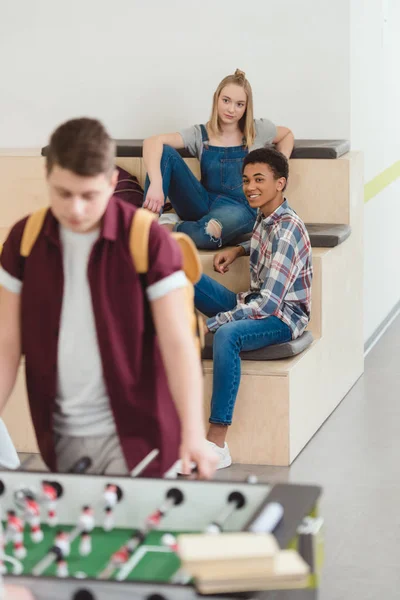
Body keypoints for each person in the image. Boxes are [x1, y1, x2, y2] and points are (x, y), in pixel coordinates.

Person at [0, 118, 217, 479]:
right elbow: (6, 343)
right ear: (47, 176)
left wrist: (193, 433)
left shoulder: (149, 241)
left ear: (112, 182)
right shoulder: (23, 241)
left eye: (89, 195)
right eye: (64, 194)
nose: (77, 209)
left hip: (142, 442)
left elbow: (179, 344)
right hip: (60, 439)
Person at [194, 148, 313, 468]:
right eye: (246, 180)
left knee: (227, 335)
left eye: (259, 179)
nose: (250, 186)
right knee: (187, 279)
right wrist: (237, 249)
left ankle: (217, 442)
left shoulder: (288, 229)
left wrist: (213, 322)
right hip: (256, 302)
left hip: (283, 317)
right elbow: (263, 243)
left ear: (280, 183)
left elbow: (270, 303)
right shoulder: (266, 217)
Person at [142, 69, 294, 249]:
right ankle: (146, 226)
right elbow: (152, 141)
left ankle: (170, 227)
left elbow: (287, 135)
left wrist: (279, 169)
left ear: (247, 107)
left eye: (239, 104)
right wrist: (157, 183)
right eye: (226, 100)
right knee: (164, 152)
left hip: (240, 208)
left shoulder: (258, 130)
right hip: (202, 200)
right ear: (217, 99)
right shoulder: (200, 133)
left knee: (208, 234)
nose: (231, 109)